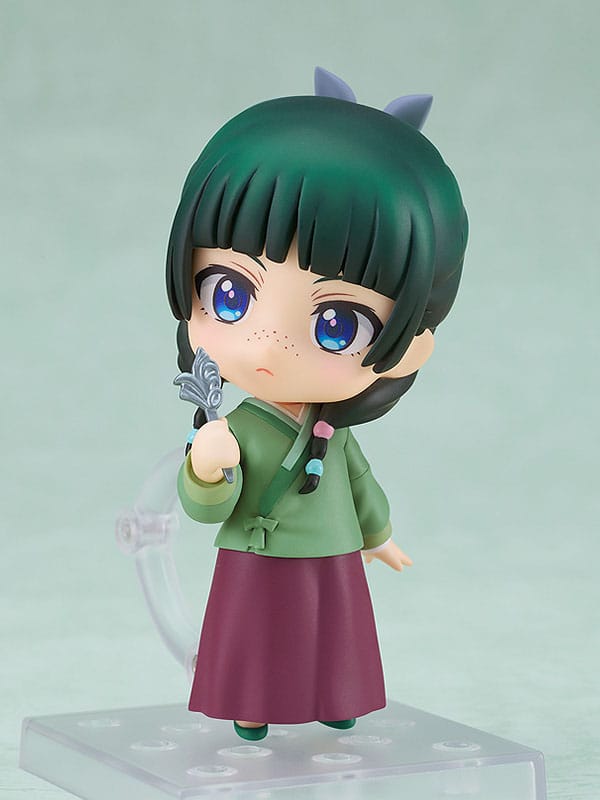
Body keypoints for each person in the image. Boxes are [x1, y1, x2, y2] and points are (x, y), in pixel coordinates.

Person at [166, 68, 468, 740]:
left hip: (332, 551)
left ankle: (337, 696)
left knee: (334, 633)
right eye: (229, 295)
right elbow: (205, 504)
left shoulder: (331, 429)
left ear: (410, 346)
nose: (268, 342)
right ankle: (252, 705)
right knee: (256, 633)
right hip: (258, 551)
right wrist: (207, 468)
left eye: (337, 323)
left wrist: (378, 534)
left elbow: (359, 481)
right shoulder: (237, 426)